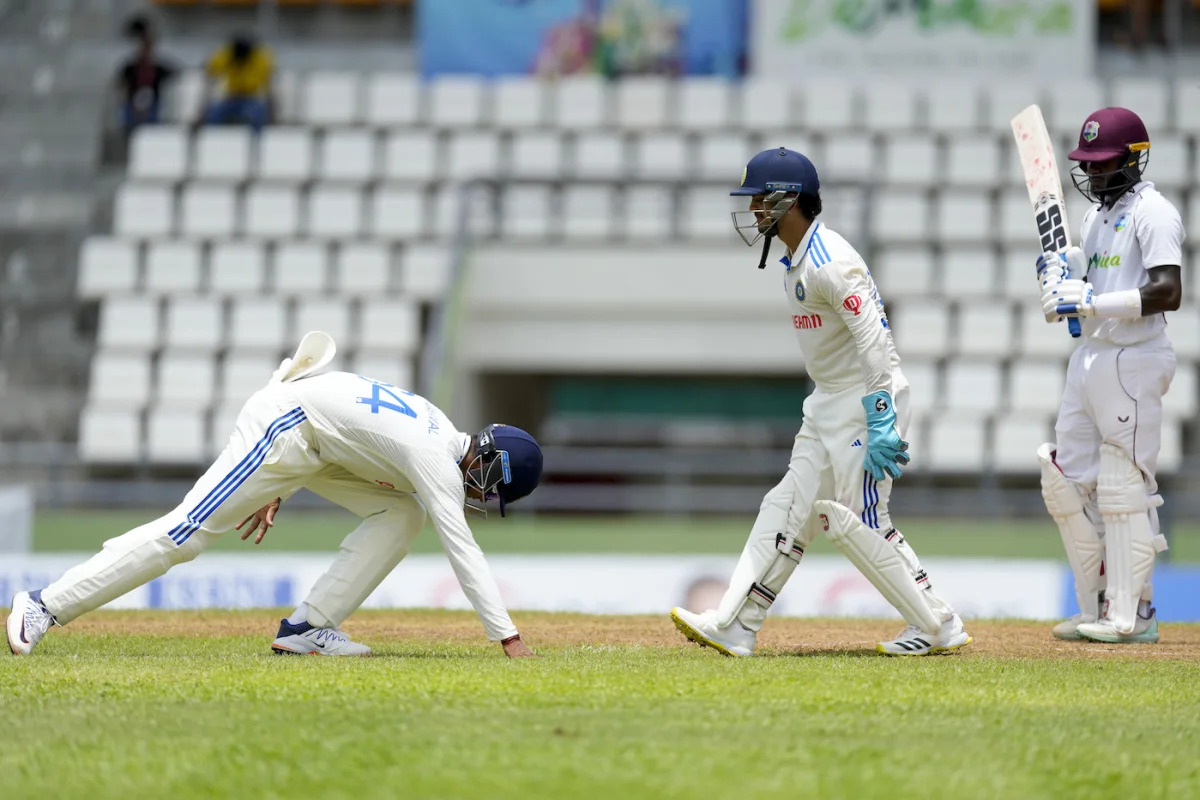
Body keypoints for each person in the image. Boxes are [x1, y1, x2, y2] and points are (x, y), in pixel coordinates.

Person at [8, 334, 543, 658]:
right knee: (184, 536)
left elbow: (349, 431)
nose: (483, 494)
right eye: (492, 486)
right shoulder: (437, 461)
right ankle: (43, 605)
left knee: (401, 512)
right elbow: (463, 552)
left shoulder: (439, 429)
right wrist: (508, 636)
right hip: (285, 426)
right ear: (491, 465)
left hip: (306, 441)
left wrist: (280, 485)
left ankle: (308, 629)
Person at [670, 148, 971, 657]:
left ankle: (938, 625)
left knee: (864, 521)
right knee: (787, 507)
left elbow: (875, 338)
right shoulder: (797, 261)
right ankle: (736, 624)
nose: (752, 211)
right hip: (828, 401)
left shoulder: (831, 262)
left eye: (760, 200)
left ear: (788, 202)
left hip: (865, 399)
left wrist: (880, 418)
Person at [1036, 107, 1183, 644]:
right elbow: (1085, 300)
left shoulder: (1155, 212)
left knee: (1124, 487)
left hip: (1135, 358)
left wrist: (1092, 299)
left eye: (1104, 164)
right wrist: (1061, 283)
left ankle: (1136, 614)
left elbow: (1169, 292)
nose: (1094, 175)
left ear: (1134, 159)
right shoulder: (1095, 217)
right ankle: (1094, 605)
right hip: (1091, 358)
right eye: (1088, 165)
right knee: (1069, 484)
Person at [201, 34, 275, 132]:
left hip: (251, 98)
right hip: (230, 98)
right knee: (214, 112)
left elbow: (268, 85)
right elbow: (210, 72)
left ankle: (256, 143)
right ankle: (214, 140)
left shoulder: (261, 59)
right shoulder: (227, 56)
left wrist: (273, 111)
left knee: (258, 114)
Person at [114, 15, 175, 134]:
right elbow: (122, 85)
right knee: (128, 114)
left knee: (153, 115)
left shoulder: (157, 68)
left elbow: (172, 74)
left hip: (152, 102)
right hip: (133, 102)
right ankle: (128, 133)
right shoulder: (130, 68)